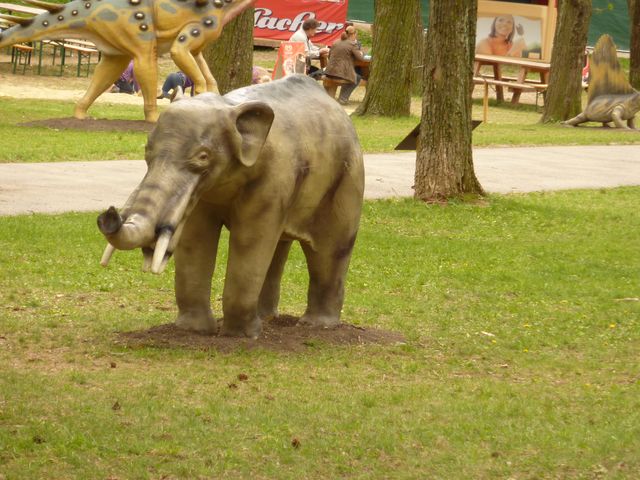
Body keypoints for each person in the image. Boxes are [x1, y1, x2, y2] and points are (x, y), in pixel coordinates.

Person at [323, 25, 366, 105]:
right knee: (357, 78)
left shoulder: (336, 42)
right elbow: (361, 58)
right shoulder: (352, 44)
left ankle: (340, 98)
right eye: (356, 35)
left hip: (329, 72)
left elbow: (329, 56)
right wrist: (362, 53)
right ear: (353, 34)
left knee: (352, 75)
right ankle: (343, 98)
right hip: (340, 73)